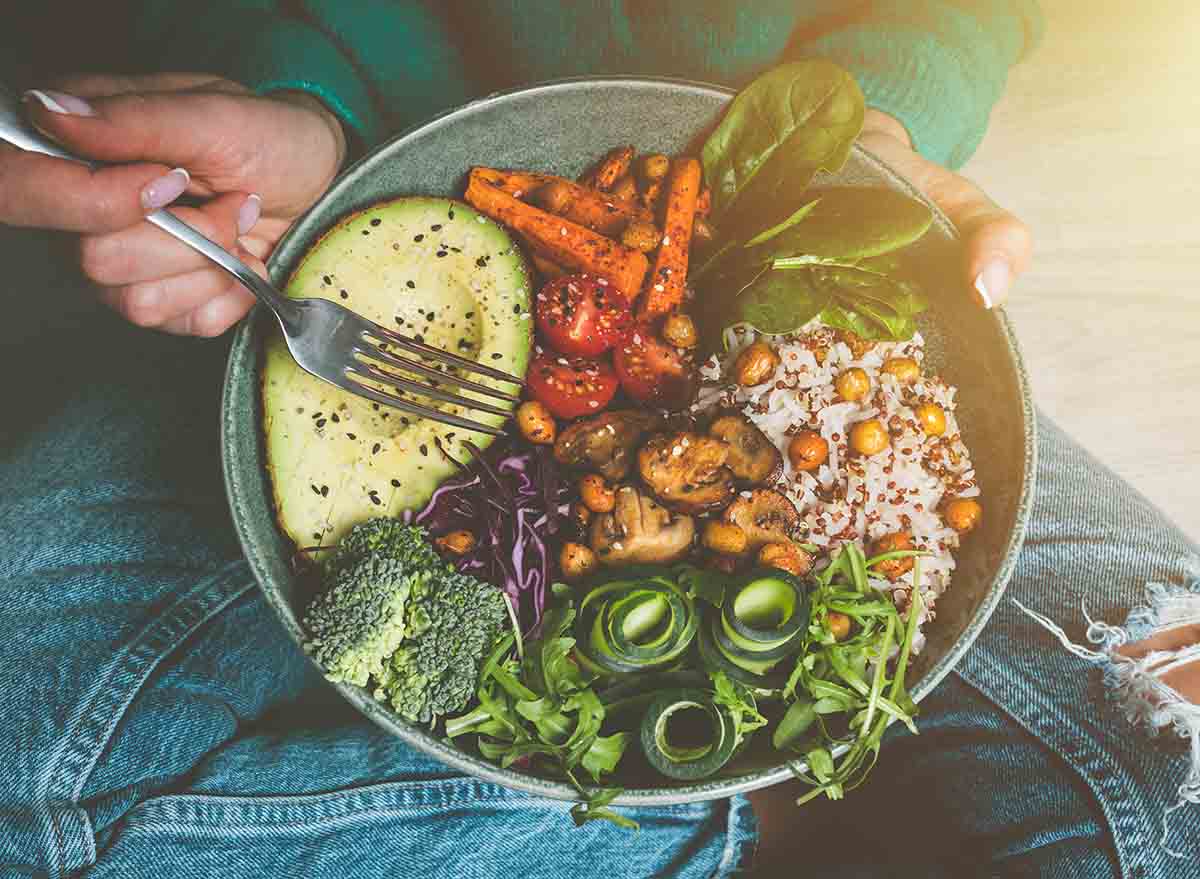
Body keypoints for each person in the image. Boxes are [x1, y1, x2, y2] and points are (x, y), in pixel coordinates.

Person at [0, 3, 1195, 877]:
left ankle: (650, 822)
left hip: (780, 262)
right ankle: (706, 818)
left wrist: (880, 113)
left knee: (1178, 786)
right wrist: (311, 103)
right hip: (371, 188)